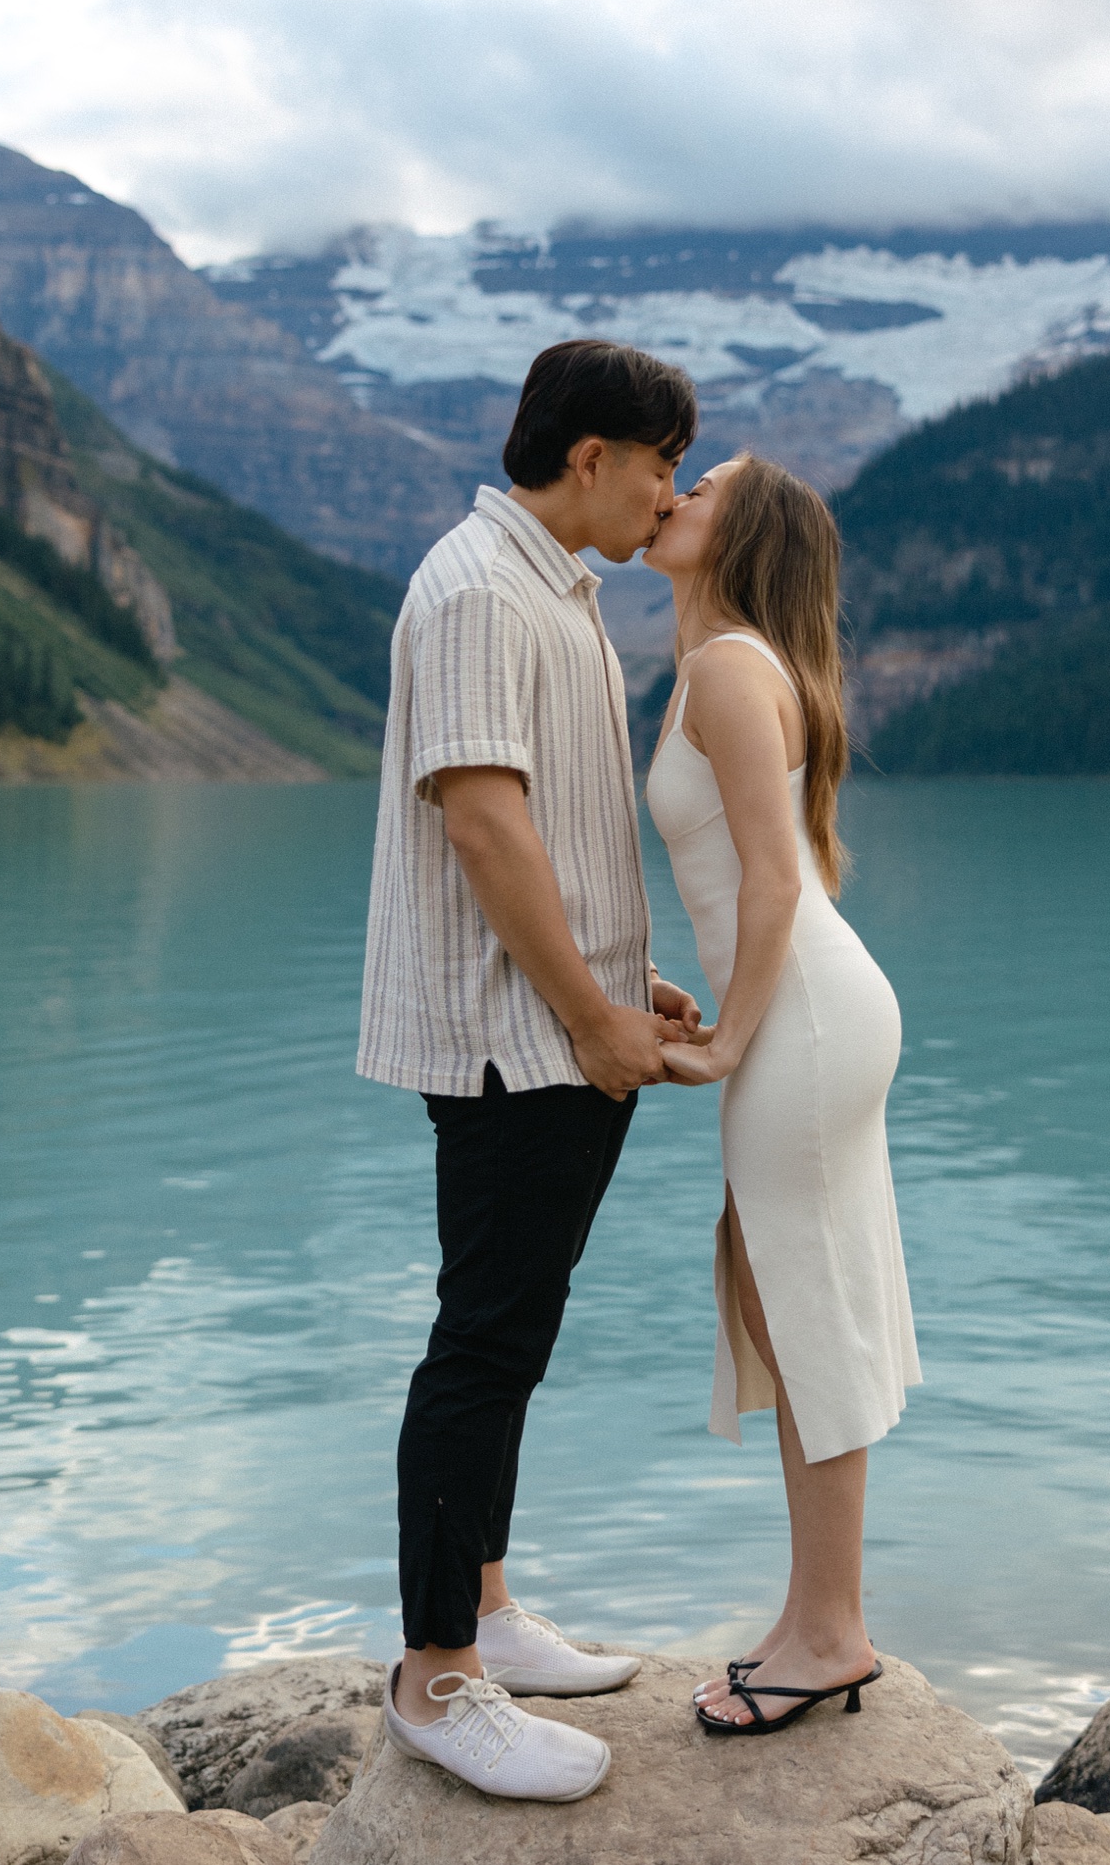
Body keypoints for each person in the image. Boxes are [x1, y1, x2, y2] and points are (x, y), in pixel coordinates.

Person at [357, 340, 703, 1800]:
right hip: (518, 1041)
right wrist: (595, 1015)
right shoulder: (479, 589)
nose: (666, 495)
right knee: (484, 1342)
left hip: (559, 1018)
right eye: (658, 465)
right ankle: (438, 1676)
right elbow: (487, 825)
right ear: (590, 458)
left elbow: (547, 822)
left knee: (512, 1333)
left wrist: (625, 977)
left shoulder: (548, 586)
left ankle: (488, 1610)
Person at [642, 453, 922, 1735]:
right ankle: (820, 1614)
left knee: (802, 1303)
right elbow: (773, 875)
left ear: (737, 530)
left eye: (700, 486)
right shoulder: (730, 664)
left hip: (801, 1016)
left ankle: (829, 1632)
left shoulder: (726, 668)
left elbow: (769, 881)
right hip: (812, 1008)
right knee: (786, 1296)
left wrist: (728, 1039)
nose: (673, 494)